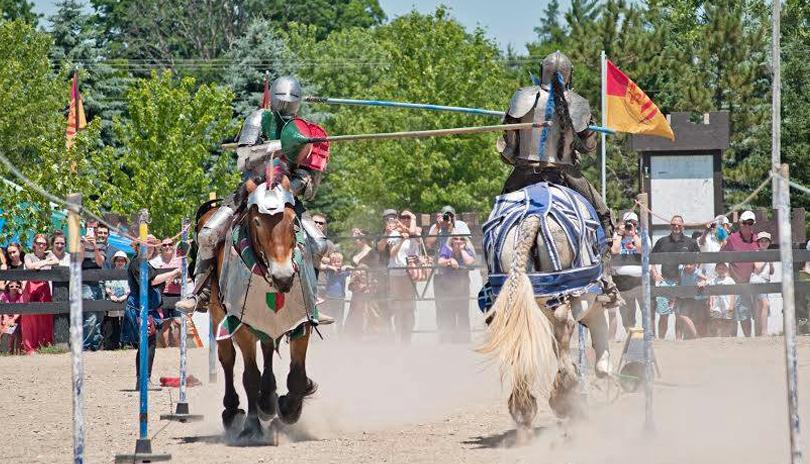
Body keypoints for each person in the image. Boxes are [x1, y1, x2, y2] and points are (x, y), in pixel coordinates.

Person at [176, 76, 332, 329]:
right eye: (283, 99)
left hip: (286, 197)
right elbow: (243, 158)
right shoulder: (259, 119)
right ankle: (200, 294)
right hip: (251, 190)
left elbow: (309, 182)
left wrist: (294, 183)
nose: (286, 105)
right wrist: (282, 145)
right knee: (208, 234)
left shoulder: (303, 130)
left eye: (291, 101)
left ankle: (310, 301)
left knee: (319, 243)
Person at [495, 50, 621, 310]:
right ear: (568, 74)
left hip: (523, 174)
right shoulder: (577, 103)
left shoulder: (522, 97)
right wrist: (586, 131)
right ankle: (606, 278)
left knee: (498, 217)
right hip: (565, 173)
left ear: (542, 71)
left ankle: (495, 274)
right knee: (603, 217)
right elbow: (588, 147)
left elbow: (508, 149)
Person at [124, 240, 183, 387]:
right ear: (138, 247)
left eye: (151, 245)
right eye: (146, 245)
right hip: (140, 308)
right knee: (146, 343)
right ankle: (143, 379)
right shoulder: (138, 262)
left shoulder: (145, 263)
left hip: (147, 307)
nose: (150, 248)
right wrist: (174, 272)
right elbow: (151, 281)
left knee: (148, 343)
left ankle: (144, 379)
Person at [651, 215, 700, 339]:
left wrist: (693, 267)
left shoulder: (691, 242)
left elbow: (699, 259)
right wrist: (655, 274)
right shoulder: (662, 241)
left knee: (681, 314)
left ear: (682, 226)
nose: (676, 227)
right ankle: (661, 340)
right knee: (664, 314)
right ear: (670, 226)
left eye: (678, 224)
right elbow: (651, 259)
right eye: (673, 224)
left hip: (684, 282)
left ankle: (679, 341)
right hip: (666, 281)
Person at [721, 210, 760, 337]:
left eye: (750, 223)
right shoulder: (732, 238)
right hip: (737, 283)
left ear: (753, 224)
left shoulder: (758, 239)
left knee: (752, 314)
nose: (747, 226)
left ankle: (753, 340)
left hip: (755, 283)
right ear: (740, 224)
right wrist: (726, 274)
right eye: (744, 223)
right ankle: (736, 341)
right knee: (736, 315)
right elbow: (720, 256)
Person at [387, 211, 420, 343]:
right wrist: (401, 239)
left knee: (409, 307)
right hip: (395, 274)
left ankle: (408, 338)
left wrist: (414, 217)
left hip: (409, 274)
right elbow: (392, 253)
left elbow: (413, 232)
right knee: (398, 306)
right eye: (403, 217)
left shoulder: (416, 232)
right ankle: (399, 336)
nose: (405, 219)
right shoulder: (394, 234)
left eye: (408, 217)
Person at [435, 235, 476, 343]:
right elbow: (440, 261)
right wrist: (450, 260)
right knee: (449, 314)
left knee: (463, 314)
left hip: (462, 287)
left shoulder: (467, 250)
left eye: (461, 239)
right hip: (448, 287)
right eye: (455, 238)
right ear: (451, 240)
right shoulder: (446, 249)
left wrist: (462, 249)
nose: (458, 241)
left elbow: (469, 261)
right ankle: (449, 340)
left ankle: (464, 340)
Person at [20, 234, 55, 354]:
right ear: (34, 244)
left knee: (45, 317)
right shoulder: (28, 255)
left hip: (44, 287)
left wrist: (40, 263)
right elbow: (29, 266)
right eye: (39, 243)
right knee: (30, 318)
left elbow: (56, 261)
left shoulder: (49, 254)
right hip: (31, 287)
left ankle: (45, 345)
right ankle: (30, 348)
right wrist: (45, 262)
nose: (41, 245)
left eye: (44, 243)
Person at [611, 211, 642, 338]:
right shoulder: (617, 236)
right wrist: (620, 233)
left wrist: (634, 234)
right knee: (627, 313)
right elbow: (614, 250)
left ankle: (650, 336)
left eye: (634, 224)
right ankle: (631, 336)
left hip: (639, 281)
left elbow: (642, 250)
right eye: (628, 224)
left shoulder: (641, 236)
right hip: (622, 282)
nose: (631, 226)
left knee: (646, 310)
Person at [150, 237, 184, 347]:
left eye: (170, 244)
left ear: (173, 245)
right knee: (164, 323)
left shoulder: (180, 260)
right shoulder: (156, 261)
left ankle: (176, 348)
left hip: (178, 294)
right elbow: (152, 279)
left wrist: (180, 279)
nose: (167, 246)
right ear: (161, 247)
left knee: (178, 322)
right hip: (162, 295)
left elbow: (188, 277)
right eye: (164, 245)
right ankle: (166, 349)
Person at [103, 251, 131, 349]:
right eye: (118, 260)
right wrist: (111, 295)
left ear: (125, 262)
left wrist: (125, 296)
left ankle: (124, 343)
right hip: (112, 299)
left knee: (124, 322)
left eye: (122, 260)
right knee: (112, 322)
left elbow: (129, 287)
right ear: (115, 261)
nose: (120, 262)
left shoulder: (128, 273)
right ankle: (112, 344)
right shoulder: (111, 273)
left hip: (124, 299)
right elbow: (107, 286)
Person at [750, 231, 775, 336]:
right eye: (762, 241)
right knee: (765, 304)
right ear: (758, 242)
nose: (764, 243)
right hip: (757, 280)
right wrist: (767, 258)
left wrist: (770, 262)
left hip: (765, 281)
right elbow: (758, 267)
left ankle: (759, 332)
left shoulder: (768, 254)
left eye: (766, 241)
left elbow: (772, 272)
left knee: (759, 307)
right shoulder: (756, 253)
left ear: (769, 243)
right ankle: (764, 331)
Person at [321, 251, 351, 332]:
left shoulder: (344, 272)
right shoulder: (329, 271)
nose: (336, 264)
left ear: (341, 262)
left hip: (340, 298)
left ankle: (339, 334)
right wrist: (330, 267)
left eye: (338, 262)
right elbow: (321, 266)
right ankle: (329, 334)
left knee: (339, 318)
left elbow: (352, 268)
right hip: (329, 298)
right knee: (329, 317)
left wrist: (345, 266)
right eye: (333, 262)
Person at [676, 263, 707, 339]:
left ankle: (696, 336)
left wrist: (703, 282)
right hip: (683, 297)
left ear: (695, 265)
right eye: (686, 264)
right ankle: (691, 336)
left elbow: (705, 279)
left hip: (694, 298)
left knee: (684, 316)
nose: (688, 266)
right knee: (681, 316)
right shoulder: (681, 270)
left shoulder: (697, 272)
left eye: (691, 264)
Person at [708, 262, 737, 337]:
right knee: (717, 320)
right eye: (719, 269)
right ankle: (718, 336)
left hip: (727, 303)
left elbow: (733, 293)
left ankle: (726, 336)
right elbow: (711, 294)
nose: (721, 270)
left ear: (726, 269)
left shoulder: (730, 280)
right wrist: (711, 305)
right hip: (716, 304)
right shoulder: (713, 281)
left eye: (723, 268)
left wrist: (731, 305)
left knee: (727, 321)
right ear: (716, 270)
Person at [698, 215, 731, 280]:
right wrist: (706, 231)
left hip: (724, 279)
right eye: (720, 225)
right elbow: (701, 243)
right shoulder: (708, 239)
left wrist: (724, 238)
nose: (723, 228)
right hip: (709, 279)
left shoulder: (729, 240)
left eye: (725, 226)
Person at [0, 281, 23, 354]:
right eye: (12, 286)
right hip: (6, 317)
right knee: (10, 333)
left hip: (17, 318)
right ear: (8, 287)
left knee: (16, 334)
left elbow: (20, 310)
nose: (14, 288)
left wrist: (13, 318)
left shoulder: (20, 296)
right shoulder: (4, 295)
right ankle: (9, 350)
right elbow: (2, 307)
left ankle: (16, 351)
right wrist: (6, 317)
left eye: (17, 286)